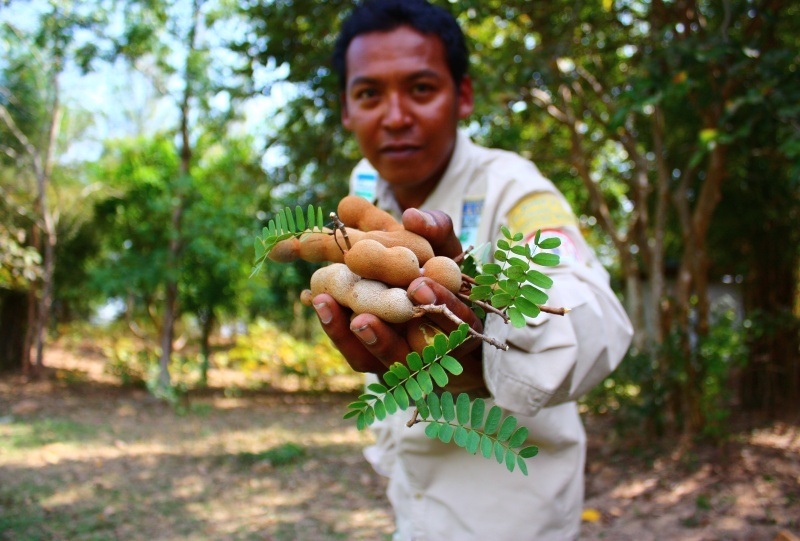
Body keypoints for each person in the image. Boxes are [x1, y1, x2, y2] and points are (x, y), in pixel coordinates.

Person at [311, 1, 634, 539]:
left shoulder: (515, 186)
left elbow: (596, 313)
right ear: (346, 108)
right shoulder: (364, 185)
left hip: (516, 518)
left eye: (420, 88)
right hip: (413, 510)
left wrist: (488, 346)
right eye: (369, 94)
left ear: (462, 97)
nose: (394, 117)